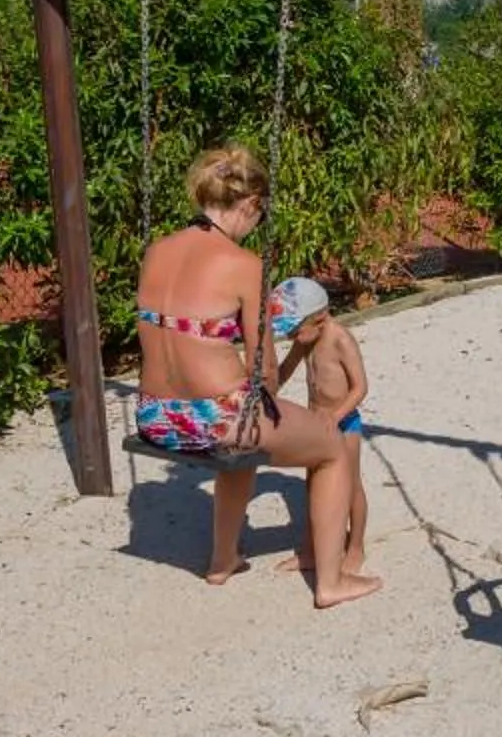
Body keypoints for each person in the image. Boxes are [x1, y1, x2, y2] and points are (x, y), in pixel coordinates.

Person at [131, 145, 379, 609]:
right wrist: (277, 391)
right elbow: (261, 367)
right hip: (218, 417)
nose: (256, 225)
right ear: (249, 204)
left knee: (243, 447)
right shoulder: (245, 266)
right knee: (328, 446)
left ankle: (222, 561)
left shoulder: (157, 250)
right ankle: (331, 583)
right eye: (259, 215)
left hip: (154, 416)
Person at [267, 277, 369, 582]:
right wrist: (267, 390)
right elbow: (285, 370)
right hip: (316, 423)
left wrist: (336, 415)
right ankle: (311, 549)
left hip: (344, 422)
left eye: (294, 330)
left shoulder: (340, 339)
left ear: (320, 318)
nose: (291, 338)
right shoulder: (306, 340)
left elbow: (360, 387)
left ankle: (356, 547)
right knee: (314, 485)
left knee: (350, 487)